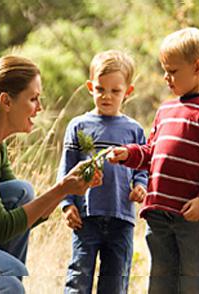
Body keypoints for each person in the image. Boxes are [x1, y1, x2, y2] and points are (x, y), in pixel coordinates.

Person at [0, 55, 102, 293]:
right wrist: (62, 188)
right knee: (9, 281)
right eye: (33, 99)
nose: (39, 108)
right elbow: (2, 228)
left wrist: (66, 190)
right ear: (6, 101)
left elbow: (21, 214)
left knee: (21, 192)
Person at [108, 27, 199, 294]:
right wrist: (129, 154)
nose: (166, 77)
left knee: (192, 278)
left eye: (173, 71)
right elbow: (152, 152)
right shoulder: (166, 109)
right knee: (161, 279)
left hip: (190, 216)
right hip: (158, 211)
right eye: (165, 70)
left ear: (198, 67)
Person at [58, 50, 148, 294]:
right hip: (86, 217)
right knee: (79, 278)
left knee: (115, 281)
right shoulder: (78, 126)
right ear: (90, 87)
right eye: (100, 89)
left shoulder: (135, 131)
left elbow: (142, 168)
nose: (106, 96)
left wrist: (141, 187)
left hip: (121, 218)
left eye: (115, 91)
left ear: (127, 91)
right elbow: (66, 170)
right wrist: (67, 205)